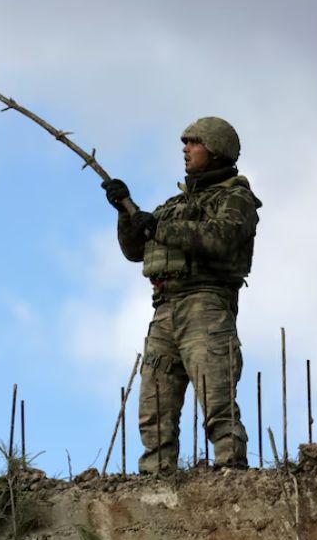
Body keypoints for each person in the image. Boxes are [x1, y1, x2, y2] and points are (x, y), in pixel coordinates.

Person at [102, 116, 261, 473]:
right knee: (154, 403)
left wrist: (158, 226)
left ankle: (230, 470)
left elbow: (220, 238)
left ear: (216, 150)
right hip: (164, 307)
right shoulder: (173, 205)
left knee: (216, 397)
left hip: (206, 306)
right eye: (185, 143)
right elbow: (135, 250)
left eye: (194, 142)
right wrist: (125, 213)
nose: (185, 149)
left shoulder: (236, 198)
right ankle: (156, 476)